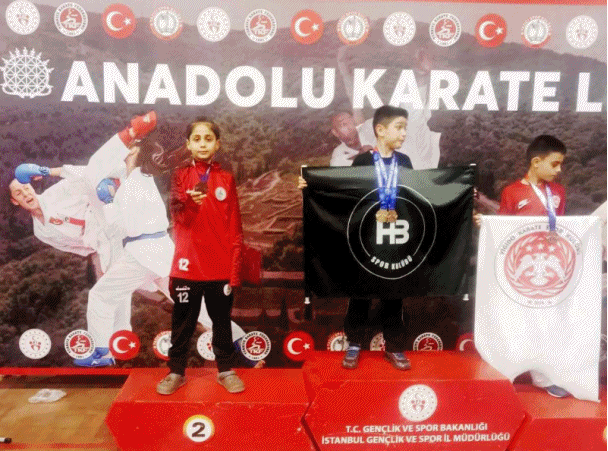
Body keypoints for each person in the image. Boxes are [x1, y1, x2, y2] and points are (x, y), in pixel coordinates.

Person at [299, 105, 413, 371]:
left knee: (394, 293)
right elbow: (345, 192)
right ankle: (354, 343)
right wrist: (311, 185)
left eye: (405, 128)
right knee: (360, 291)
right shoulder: (362, 162)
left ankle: (394, 346)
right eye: (399, 128)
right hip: (366, 237)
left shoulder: (405, 162)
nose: (403, 133)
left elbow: (417, 195)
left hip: (395, 237)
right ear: (380, 130)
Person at [157, 117, 245, 395]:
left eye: (208, 139)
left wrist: (234, 271)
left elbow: (235, 227)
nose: (203, 144)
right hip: (187, 265)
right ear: (188, 144)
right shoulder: (180, 176)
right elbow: (178, 217)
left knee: (221, 321)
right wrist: (189, 203)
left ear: (217, 144)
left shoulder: (226, 178)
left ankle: (226, 370)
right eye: (197, 139)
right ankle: (176, 372)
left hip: (219, 266)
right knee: (182, 322)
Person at [495, 135, 569, 398]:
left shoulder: (558, 192)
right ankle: (506, 376)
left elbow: (561, 228)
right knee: (514, 322)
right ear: (536, 162)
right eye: (555, 164)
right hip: (519, 271)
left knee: (544, 324)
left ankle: (544, 377)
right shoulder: (512, 192)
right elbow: (502, 231)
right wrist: (487, 225)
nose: (559, 170)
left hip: (547, 270)